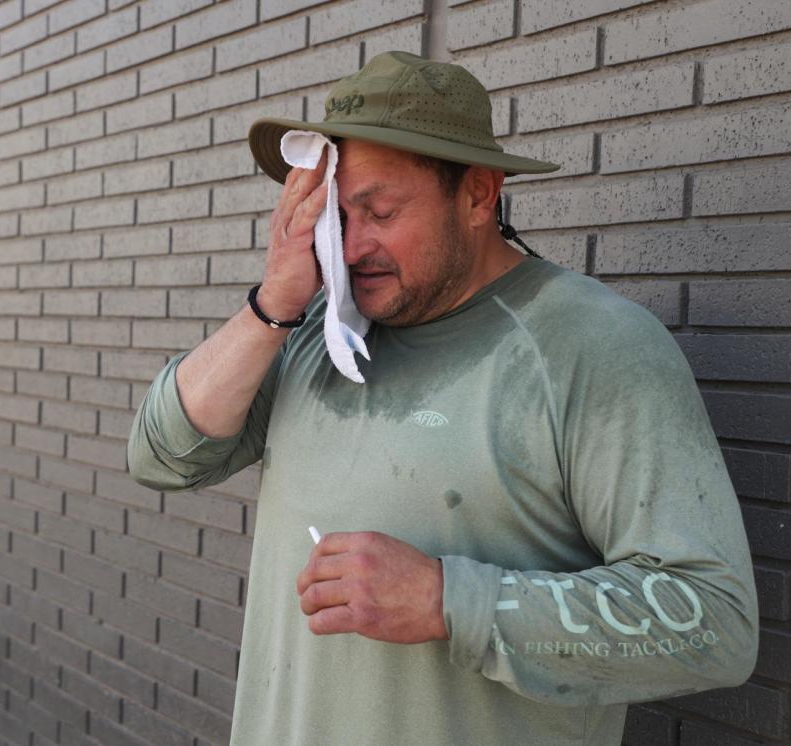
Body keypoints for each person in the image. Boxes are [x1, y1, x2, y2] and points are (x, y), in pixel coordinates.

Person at [127, 51, 758, 746]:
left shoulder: (592, 346)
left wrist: (448, 601)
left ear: (480, 195)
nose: (352, 244)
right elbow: (163, 457)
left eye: (380, 211)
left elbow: (713, 624)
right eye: (336, 218)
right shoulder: (315, 332)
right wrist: (274, 302)